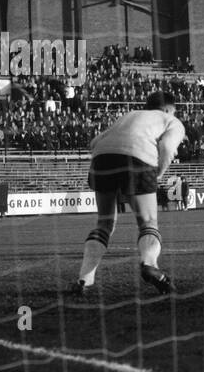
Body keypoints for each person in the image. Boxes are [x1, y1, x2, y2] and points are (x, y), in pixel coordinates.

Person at [72, 91, 184, 296]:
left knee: (104, 223)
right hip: (138, 159)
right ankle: (149, 264)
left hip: (101, 159)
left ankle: (84, 279)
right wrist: (157, 173)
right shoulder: (171, 120)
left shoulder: (129, 115)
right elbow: (167, 146)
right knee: (148, 222)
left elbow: (95, 141)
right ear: (169, 109)